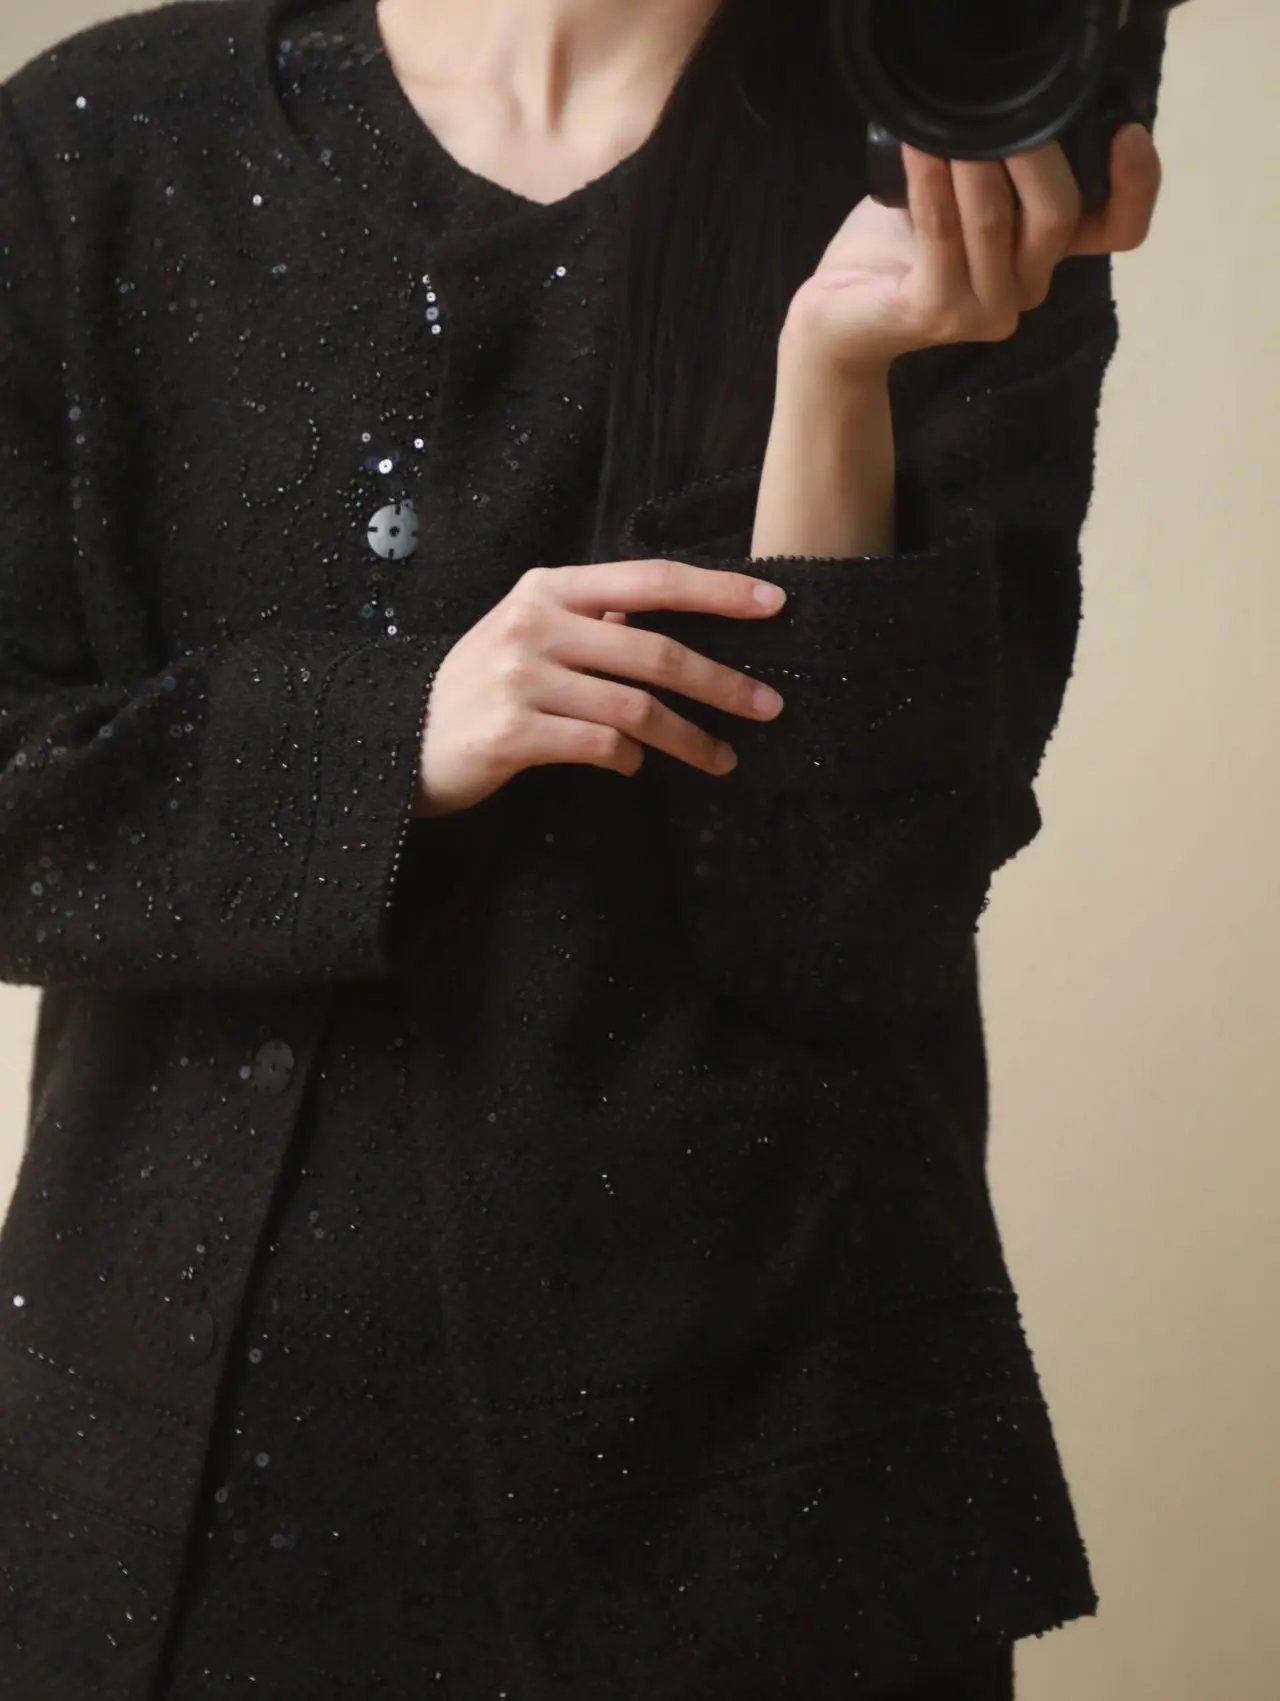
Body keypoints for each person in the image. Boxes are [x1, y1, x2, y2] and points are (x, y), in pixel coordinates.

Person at [0, 0, 1164, 1696]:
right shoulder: (101, 142)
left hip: (778, 1500)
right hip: (189, 1503)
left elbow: (846, 929)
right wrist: (387, 734)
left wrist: (836, 375)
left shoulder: (943, 143)